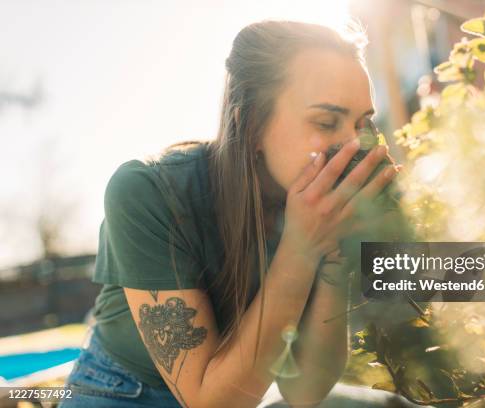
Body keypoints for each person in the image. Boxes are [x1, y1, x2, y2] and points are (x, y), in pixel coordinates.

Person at [59, 19, 426, 408]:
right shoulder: (148, 191)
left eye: (362, 123)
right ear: (251, 124)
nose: (354, 145)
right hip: (122, 394)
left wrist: (333, 257)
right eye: (325, 121)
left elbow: (304, 392)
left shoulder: (312, 206)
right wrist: (301, 249)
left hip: (244, 391)